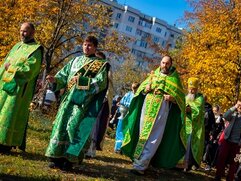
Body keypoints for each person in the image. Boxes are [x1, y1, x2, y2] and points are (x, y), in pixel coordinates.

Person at [45, 36, 110, 170]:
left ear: (95, 47)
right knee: (61, 127)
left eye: (90, 45)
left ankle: (70, 160)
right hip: (68, 101)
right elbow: (63, 76)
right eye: (85, 44)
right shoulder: (75, 60)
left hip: (82, 104)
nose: (87, 47)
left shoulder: (100, 64)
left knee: (74, 130)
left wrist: (81, 80)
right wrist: (55, 80)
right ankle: (56, 157)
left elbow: (101, 83)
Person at [121, 55, 186, 175]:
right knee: (143, 133)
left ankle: (141, 166)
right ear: (160, 63)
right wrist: (145, 89)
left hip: (162, 108)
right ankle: (140, 162)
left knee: (154, 137)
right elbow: (141, 91)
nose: (164, 65)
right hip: (148, 105)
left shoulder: (175, 79)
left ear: (171, 65)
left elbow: (181, 100)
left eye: (167, 63)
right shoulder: (153, 75)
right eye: (163, 63)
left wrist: (172, 98)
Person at [0, 22, 43, 153]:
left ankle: (7, 144)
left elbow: (30, 70)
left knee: (11, 114)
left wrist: (12, 69)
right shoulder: (17, 46)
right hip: (4, 85)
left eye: (25, 31)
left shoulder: (36, 50)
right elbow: (4, 64)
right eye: (21, 30)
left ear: (32, 33)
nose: (22, 33)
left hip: (19, 89)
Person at [215, 100, 241, 181]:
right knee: (221, 159)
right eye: (238, 105)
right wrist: (234, 107)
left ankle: (229, 179)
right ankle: (217, 177)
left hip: (237, 144)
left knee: (234, 163)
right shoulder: (233, 113)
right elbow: (225, 116)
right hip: (227, 140)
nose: (240, 106)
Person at [181, 77, 205, 171]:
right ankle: (179, 163)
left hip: (194, 127)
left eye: (193, 89)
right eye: (190, 88)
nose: (191, 90)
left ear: (197, 89)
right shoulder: (185, 97)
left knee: (190, 145)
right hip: (184, 125)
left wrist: (186, 108)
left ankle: (187, 165)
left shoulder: (200, 98)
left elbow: (196, 109)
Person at [114, 82, 140, 153]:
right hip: (123, 115)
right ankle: (118, 148)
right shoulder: (128, 94)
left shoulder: (138, 96)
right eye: (133, 88)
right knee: (120, 131)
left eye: (135, 88)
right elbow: (122, 102)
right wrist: (119, 104)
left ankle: (125, 149)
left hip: (131, 117)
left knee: (127, 132)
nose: (134, 90)